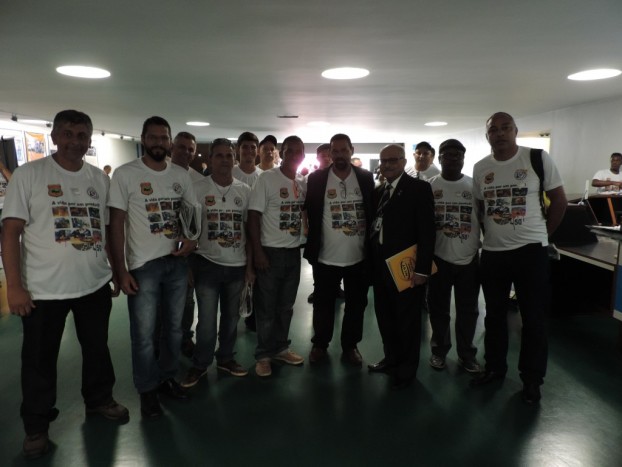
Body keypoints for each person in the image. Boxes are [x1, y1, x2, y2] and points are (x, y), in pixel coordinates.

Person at [1, 110, 128, 459]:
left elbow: (106, 230)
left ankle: (100, 399)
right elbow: (10, 232)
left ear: (89, 140)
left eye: (82, 135)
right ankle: (37, 426)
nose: (75, 141)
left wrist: (116, 271)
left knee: (97, 349)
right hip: (43, 291)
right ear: (55, 136)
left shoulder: (98, 179)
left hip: (93, 284)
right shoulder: (29, 175)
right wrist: (14, 287)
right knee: (39, 360)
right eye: (68, 134)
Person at [471, 112, 567, 404]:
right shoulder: (481, 167)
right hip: (493, 253)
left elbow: (559, 200)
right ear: (487, 135)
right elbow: (480, 207)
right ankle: (494, 368)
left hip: (530, 252)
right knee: (494, 316)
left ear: (515, 131)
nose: (500, 133)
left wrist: (543, 235)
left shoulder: (536, 158)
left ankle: (532, 379)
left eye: (506, 128)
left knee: (533, 318)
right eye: (494, 130)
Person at [108, 116, 198, 418]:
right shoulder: (125, 174)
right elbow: (116, 224)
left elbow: (191, 213)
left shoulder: (180, 175)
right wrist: (120, 270)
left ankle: (166, 378)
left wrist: (192, 239)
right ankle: (147, 390)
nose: (159, 142)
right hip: (143, 266)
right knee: (144, 334)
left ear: (169, 141)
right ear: (143, 139)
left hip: (176, 262)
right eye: (153, 137)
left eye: (164, 138)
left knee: (173, 330)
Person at [181, 139, 254, 387]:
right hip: (206, 264)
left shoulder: (245, 191)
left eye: (228, 155)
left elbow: (250, 232)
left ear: (234, 159)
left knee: (231, 319)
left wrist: (250, 267)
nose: (225, 160)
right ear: (210, 159)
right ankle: (200, 364)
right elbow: (188, 231)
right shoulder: (197, 189)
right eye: (219, 155)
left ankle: (226, 358)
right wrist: (187, 266)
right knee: (206, 322)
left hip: (237, 266)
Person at [368, 144, 435, 390]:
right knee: (385, 317)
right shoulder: (379, 191)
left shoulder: (419, 188)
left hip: (406, 266)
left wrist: (422, 270)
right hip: (380, 265)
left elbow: (427, 232)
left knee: (407, 321)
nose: (387, 165)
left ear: (404, 161)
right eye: (383, 160)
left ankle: (407, 370)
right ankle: (391, 359)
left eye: (392, 160)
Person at [304, 134, 374, 365]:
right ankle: (320, 344)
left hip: (358, 256)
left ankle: (350, 346)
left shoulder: (365, 177)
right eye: (335, 151)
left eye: (344, 150)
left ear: (352, 150)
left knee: (357, 305)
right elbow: (308, 210)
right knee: (323, 304)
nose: (340, 155)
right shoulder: (316, 179)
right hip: (326, 256)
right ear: (330, 153)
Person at [248, 135, 307, 377]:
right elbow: (253, 216)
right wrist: (258, 252)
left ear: (303, 155)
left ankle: (281, 348)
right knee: (266, 308)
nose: (294, 155)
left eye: (298, 151)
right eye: (289, 150)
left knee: (286, 306)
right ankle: (263, 355)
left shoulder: (302, 182)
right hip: (269, 252)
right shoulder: (266, 179)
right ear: (280, 153)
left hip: (293, 253)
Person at [427, 139, 481, 373]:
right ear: (439, 159)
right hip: (438, 258)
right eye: (447, 155)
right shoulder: (429, 186)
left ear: (463, 159)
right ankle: (439, 351)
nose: (452, 159)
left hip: (469, 259)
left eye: (457, 155)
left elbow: (485, 218)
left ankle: (467, 354)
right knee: (438, 309)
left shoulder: (474, 186)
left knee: (468, 310)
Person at [170, 131, 203, 358]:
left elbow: (198, 219)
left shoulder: (198, 180)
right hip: (160, 248)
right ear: (172, 148)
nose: (186, 152)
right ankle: (160, 341)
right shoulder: (160, 173)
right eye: (182, 147)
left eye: (191, 149)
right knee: (160, 301)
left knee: (186, 300)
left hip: (188, 251)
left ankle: (184, 338)